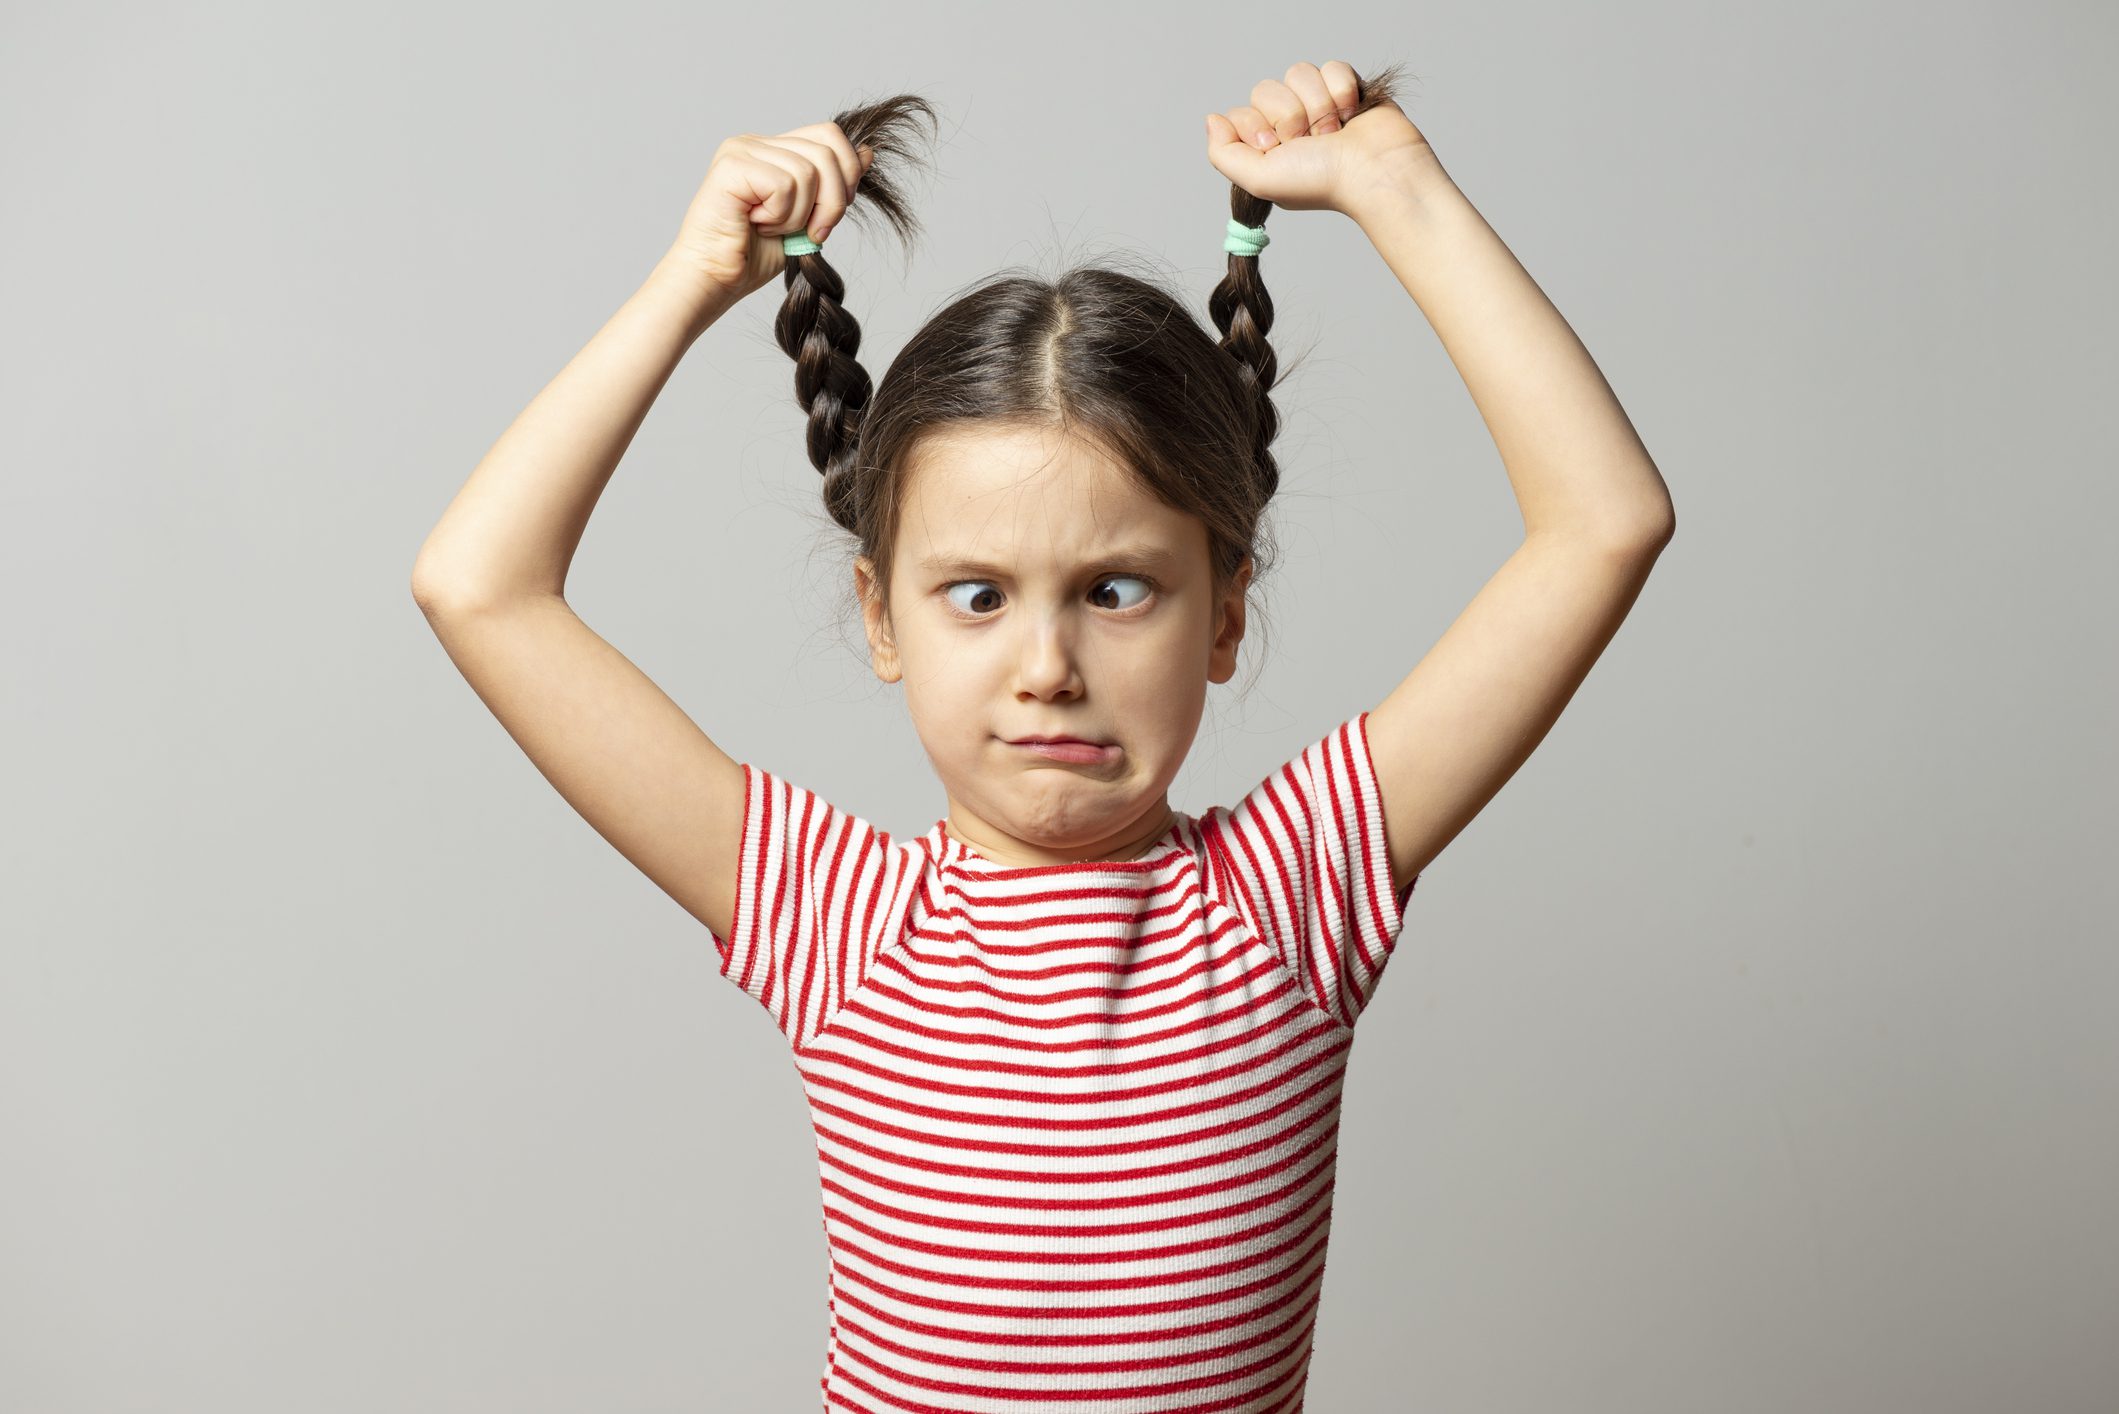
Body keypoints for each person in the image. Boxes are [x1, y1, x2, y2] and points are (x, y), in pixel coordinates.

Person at [411, 59, 1674, 1412]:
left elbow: (1605, 520)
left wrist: (1395, 188)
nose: (1049, 668)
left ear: (1226, 615)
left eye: (1117, 590)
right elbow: (478, 585)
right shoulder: (833, 917)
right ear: (882, 618)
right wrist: (687, 284)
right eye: (977, 596)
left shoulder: (1292, 895)